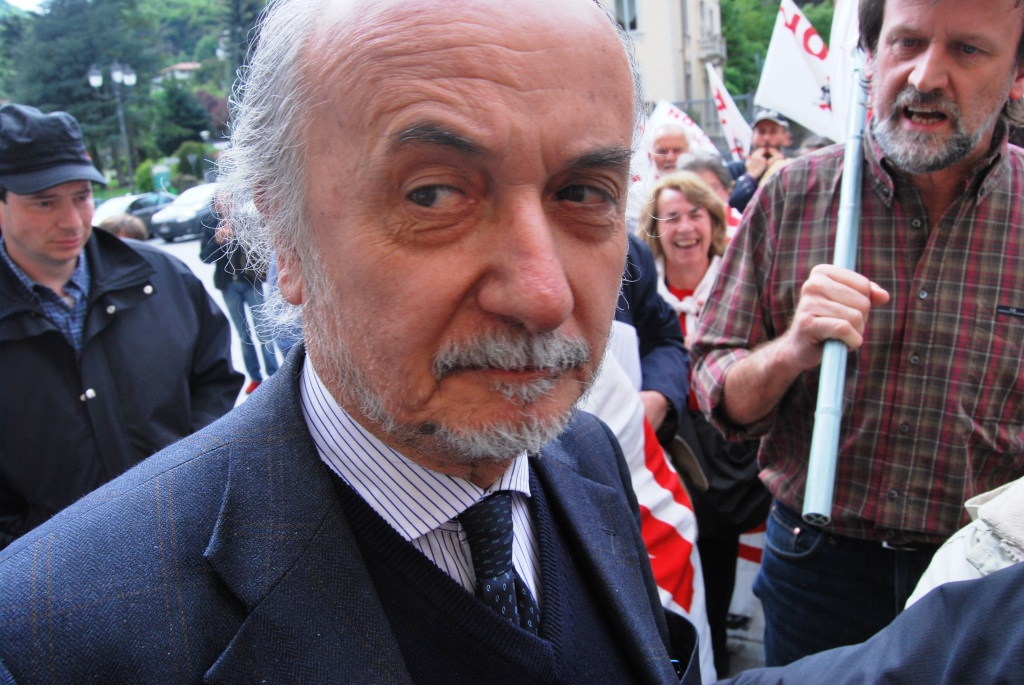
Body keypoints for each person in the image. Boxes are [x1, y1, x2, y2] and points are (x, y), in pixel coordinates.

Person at [0, 1, 701, 683]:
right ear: (284, 233)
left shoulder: (587, 453)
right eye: (433, 194)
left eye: (583, 193)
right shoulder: (48, 632)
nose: (543, 295)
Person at [692, 0, 1024, 666]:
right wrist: (791, 351)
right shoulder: (792, 195)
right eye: (907, 43)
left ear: (1018, 75)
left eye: (967, 49)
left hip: (988, 580)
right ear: (869, 57)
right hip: (819, 571)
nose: (925, 76)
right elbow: (715, 389)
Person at [0, 104, 242, 550]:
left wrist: (193, 476)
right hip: (50, 570)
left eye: (81, 197)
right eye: (45, 202)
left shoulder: (162, 278)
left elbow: (216, 381)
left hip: (183, 539)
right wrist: (26, 553)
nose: (72, 220)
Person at [638, 172, 769, 678]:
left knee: (714, 568)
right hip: (656, 457)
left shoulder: (741, 288)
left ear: (714, 223)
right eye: (672, 217)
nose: (685, 227)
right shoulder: (638, 297)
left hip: (721, 463)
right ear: (656, 229)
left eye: (696, 214)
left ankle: (715, 661)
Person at [200, 214, 279, 394]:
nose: (224, 203)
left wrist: (239, 235)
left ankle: (274, 376)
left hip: (251, 282)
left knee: (264, 331)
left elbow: (263, 248)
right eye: (220, 201)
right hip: (228, 286)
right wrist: (218, 241)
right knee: (244, 335)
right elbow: (205, 257)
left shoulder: (246, 218)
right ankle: (255, 378)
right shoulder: (210, 222)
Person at [727, 110, 790, 213]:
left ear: (785, 136)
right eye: (761, 132)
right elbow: (731, 205)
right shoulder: (734, 169)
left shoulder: (793, 167)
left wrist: (779, 171)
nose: (766, 138)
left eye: (773, 132)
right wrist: (750, 177)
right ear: (752, 136)